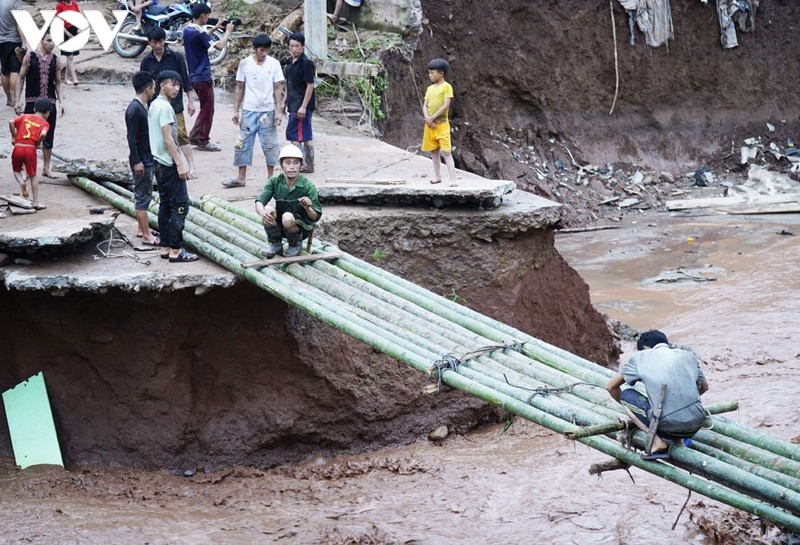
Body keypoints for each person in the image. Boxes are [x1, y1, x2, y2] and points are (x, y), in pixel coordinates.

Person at [605, 329, 710, 460]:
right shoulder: (688, 355)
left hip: (667, 427)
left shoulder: (641, 357)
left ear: (645, 348)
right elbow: (705, 387)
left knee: (626, 395)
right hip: (696, 425)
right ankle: (680, 440)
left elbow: (610, 387)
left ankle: (656, 442)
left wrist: (632, 410)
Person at [148, 69, 198, 263]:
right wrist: (180, 162)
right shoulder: (166, 108)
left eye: (178, 84)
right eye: (172, 84)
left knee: (165, 205)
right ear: (162, 85)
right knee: (180, 206)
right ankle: (176, 250)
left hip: (158, 162)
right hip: (168, 163)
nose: (176, 88)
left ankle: (166, 246)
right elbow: (169, 139)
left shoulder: (154, 105)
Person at [222, 33, 284, 189]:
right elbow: (240, 87)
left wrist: (278, 111)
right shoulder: (244, 64)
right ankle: (241, 177)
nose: (264, 54)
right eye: (261, 50)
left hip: (267, 110)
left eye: (266, 51)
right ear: (254, 49)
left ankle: (271, 178)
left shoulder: (274, 64)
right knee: (243, 143)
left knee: (270, 145)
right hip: (249, 109)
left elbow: (277, 88)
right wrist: (236, 110)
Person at [140, 27, 197, 178]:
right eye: (154, 42)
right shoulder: (147, 60)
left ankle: (190, 165)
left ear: (164, 41)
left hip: (175, 104)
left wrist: (191, 100)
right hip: (155, 104)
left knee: (181, 134)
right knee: (156, 135)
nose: (157, 46)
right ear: (149, 43)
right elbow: (144, 83)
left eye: (160, 42)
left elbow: (185, 79)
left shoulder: (176, 57)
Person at [182, 2, 233, 152]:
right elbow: (218, 46)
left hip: (193, 74)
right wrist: (228, 32)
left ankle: (195, 135)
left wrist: (216, 27)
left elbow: (203, 39)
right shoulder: (199, 33)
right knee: (208, 108)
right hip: (202, 75)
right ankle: (203, 139)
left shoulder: (188, 30)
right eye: (207, 16)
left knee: (205, 107)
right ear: (203, 16)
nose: (208, 18)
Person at [255, 145, 321, 258]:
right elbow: (259, 201)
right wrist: (262, 213)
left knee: (287, 217)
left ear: (301, 165)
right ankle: (276, 244)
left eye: (296, 163)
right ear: (281, 165)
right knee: (268, 210)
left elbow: (315, 217)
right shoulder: (275, 181)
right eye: (288, 163)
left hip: (301, 228)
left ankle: (295, 245)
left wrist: (308, 208)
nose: (292, 167)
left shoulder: (308, 186)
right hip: (281, 224)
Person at [14, 31, 64, 180]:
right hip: (32, 102)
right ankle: (25, 168)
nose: (51, 44)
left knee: (48, 135)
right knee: (27, 137)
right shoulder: (29, 57)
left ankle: (46, 168)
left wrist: (61, 101)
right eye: (48, 40)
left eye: (53, 41)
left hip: (50, 103)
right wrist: (17, 100)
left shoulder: (56, 60)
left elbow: (58, 83)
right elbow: (21, 78)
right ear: (41, 41)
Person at [125, 70, 158, 246]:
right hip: (142, 159)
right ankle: (146, 235)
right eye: (152, 88)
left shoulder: (141, 106)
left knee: (143, 194)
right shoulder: (135, 109)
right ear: (147, 89)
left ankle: (141, 228)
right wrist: (137, 161)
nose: (154, 91)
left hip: (145, 157)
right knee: (143, 196)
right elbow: (131, 137)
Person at [9, 97, 51, 210]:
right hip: (30, 149)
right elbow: (43, 134)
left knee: (16, 171)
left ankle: (22, 182)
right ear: (47, 113)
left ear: (34, 108)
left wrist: (13, 136)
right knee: (32, 176)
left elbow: (11, 122)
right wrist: (38, 143)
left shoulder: (25, 116)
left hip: (18, 148)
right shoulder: (45, 123)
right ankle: (36, 201)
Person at [282, 32, 316, 173]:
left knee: (295, 136)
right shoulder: (290, 62)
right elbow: (290, 85)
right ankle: (309, 165)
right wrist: (284, 101)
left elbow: (310, 85)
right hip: (293, 103)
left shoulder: (306, 63)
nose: (294, 49)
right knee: (304, 136)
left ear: (303, 47)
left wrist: (303, 106)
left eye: (297, 46)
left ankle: (303, 164)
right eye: (292, 46)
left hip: (301, 106)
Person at [422, 58, 456, 186]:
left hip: (441, 125)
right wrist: (427, 118)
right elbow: (425, 104)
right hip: (430, 125)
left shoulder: (447, 87)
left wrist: (432, 117)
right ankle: (437, 176)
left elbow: (445, 105)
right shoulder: (430, 88)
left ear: (441, 74)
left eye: (432, 73)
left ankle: (453, 179)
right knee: (434, 152)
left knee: (446, 152)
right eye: (429, 73)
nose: (430, 75)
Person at [0, 0, 24, 106]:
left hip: (1, 41)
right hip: (14, 40)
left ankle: (9, 98)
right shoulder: (15, 2)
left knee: (5, 71)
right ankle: (15, 99)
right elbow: (20, 23)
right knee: (15, 71)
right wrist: (24, 41)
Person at [54, 0, 81, 85]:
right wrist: (67, 33)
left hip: (73, 29)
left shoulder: (74, 3)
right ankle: (75, 79)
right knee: (70, 56)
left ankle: (66, 79)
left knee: (70, 56)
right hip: (64, 31)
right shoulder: (60, 6)